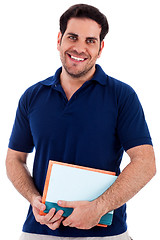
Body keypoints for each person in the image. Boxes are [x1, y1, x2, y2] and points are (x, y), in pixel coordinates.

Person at [6, 4, 156, 240]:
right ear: (59, 39)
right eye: (73, 37)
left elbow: (146, 163)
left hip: (106, 233)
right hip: (41, 231)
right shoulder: (32, 96)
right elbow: (14, 159)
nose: (80, 48)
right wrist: (33, 199)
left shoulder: (122, 96)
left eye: (90, 40)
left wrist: (98, 208)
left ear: (100, 47)